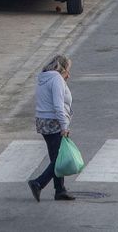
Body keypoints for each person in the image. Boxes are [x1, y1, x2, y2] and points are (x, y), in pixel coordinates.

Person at [27, 54, 74, 202]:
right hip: (53, 122)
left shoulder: (44, 77)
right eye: (68, 69)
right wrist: (64, 125)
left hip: (42, 121)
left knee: (56, 156)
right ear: (62, 68)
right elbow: (58, 105)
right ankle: (38, 183)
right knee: (60, 159)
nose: (69, 73)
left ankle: (60, 190)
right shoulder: (56, 79)